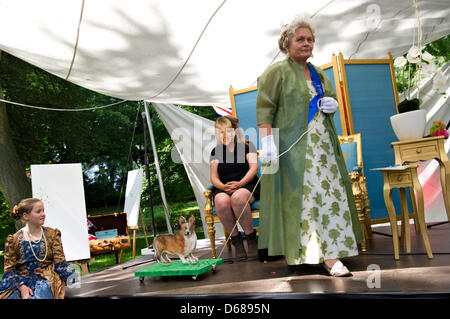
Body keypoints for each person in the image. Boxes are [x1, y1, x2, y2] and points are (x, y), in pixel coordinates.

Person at [256, 17, 363, 276]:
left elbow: (330, 99)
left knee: (329, 197)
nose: (306, 43)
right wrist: (267, 141)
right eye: (300, 39)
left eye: (310, 39)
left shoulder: (318, 73)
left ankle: (332, 254)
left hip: (324, 149)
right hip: (294, 152)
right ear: (287, 43)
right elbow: (265, 109)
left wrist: (333, 105)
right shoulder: (276, 72)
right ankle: (309, 253)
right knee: (306, 200)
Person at [0, 198, 75, 299]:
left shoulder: (52, 235)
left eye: (43, 210)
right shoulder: (13, 240)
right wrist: (22, 287)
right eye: (38, 211)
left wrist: (61, 287)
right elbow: (9, 270)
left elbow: (60, 263)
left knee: (40, 294)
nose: (43, 214)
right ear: (25, 216)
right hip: (21, 282)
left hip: (46, 279)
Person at [210, 116, 260, 260]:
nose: (224, 135)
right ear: (217, 134)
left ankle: (251, 239)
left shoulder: (247, 146)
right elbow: (214, 177)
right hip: (224, 187)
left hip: (246, 184)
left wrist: (239, 184)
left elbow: (254, 169)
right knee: (220, 202)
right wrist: (222, 187)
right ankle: (237, 242)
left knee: (237, 198)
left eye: (227, 131)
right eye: (220, 132)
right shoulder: (216, 151)